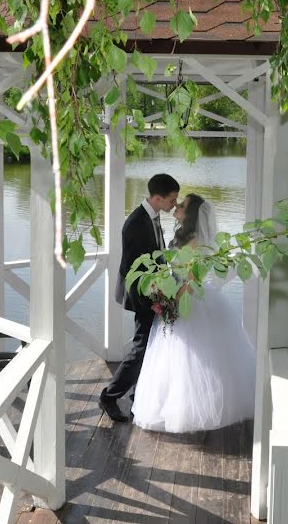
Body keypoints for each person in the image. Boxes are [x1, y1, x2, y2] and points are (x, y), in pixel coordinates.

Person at [131, 193, 256, 433]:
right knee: (175, 359)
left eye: (183, 204)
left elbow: (192, 278)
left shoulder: (197, 241)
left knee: (194, 358)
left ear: (193, 214)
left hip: (189, 299)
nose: (177, 205)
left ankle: (197, 408)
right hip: (177, 293)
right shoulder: (183, 235)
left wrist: (173, 300)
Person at [98, 173, 180, 422]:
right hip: (143, 295)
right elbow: (132, 270)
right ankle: (109, 397)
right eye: (172, 200)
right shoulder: (136, 223)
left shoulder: (152, 217)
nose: (174, 205)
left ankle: (138, 393)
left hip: (154, 291)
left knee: (147, 346)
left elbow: (156, 257)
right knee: (140, 348)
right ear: (157, 198)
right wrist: (153, 302)